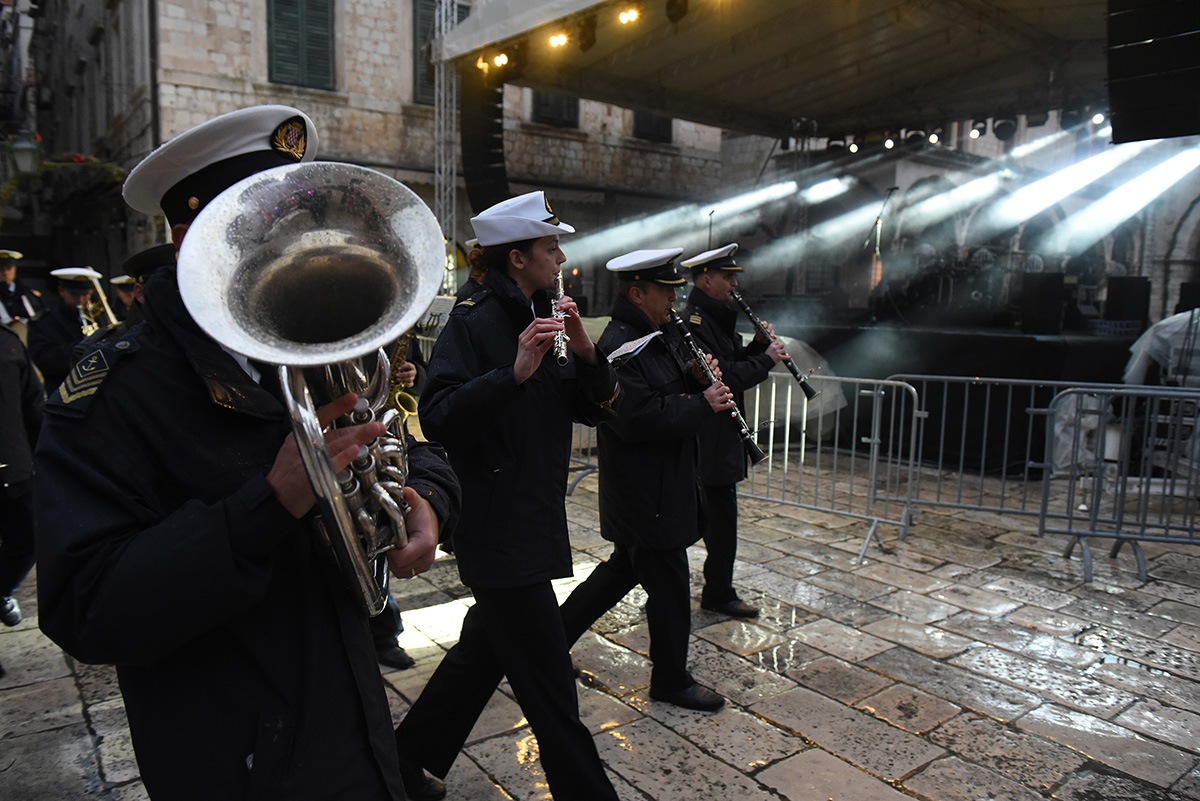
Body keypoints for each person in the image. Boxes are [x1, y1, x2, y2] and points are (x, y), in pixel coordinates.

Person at [34, 105, 460, 801]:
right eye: (267, 229)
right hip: (238, 768)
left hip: (352, 733)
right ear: (186, 238)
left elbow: (405, 440)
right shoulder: (112, 392)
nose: (301, 249)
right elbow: (86, 605)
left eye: (304, 222)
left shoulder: (331, 343)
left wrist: (430, 502)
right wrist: (268, 504)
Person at [393, 192, 622, 800]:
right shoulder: (473, 322)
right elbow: (437, 414)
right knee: (549, 684)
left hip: (533, 512)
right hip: (498, 524)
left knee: (483, 651)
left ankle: (404, 761)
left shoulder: (545, 309)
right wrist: (512, 374)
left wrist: (584, 350)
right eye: (551, 248)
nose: (561, 256)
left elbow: (591, 409)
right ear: (517, 257)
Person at [559, 248, 730, 713]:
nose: (674, 300)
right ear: (637, 293)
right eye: (666, 291)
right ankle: (671, 678)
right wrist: (702, 403)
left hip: (659, 486)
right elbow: (634, 418)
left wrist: (698, 381)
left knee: (619, 574)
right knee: (671, 588)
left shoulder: (657, 333)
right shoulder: (620, 345)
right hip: (645, 493)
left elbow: (667, 394)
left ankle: (550, 643)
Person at [682, 243, 785, 618]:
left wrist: (757, 346)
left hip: (719, 435)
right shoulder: (694, 321)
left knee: (715, 519)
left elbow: (728, 363)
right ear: (706, 280)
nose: (733, 285)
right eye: (727, 278)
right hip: (708, 436)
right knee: (718, 522)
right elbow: (723, 377)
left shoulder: (714, 318)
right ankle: (718, 592)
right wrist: (766, 360)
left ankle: (713, 587)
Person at [0, 315, 43, 637]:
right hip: (13, 465)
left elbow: (32, 406)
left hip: (12, 466)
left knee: (29, 537)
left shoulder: (8, 342)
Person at [27, 266, 103, 392]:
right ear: (61, 290)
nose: (80, 300)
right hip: (62, 389)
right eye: (74, 294)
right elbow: (43, 360)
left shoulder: (98, 318)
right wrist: (83, 345)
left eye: (85, 294)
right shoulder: (44, 322)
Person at [0, 249, 44, 324]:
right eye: (1, 269)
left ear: (15, 269)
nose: (5, 273)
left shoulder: (27, 294)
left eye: (9, 268)